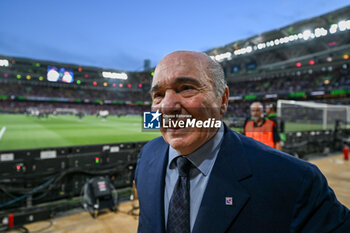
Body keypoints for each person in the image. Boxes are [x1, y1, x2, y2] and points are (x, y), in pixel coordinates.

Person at [135, 50, 350, 233]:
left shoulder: (295, 180)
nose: (167, 106)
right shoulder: (148, 156)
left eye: (186, 88)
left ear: (223, 100)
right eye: (159, 95)